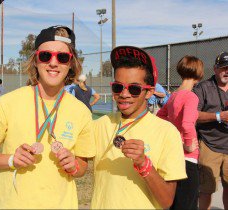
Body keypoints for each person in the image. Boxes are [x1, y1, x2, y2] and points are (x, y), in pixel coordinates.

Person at [0, 25, 95, 209]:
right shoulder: (8, 102)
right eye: (46, 55)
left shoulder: (81, 112)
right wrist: (11, 160)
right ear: (35, 60)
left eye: (62, 57)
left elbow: (82, 167)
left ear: (71, 63)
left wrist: (73, 166)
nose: (54, 63)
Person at [91, 46, 187, 209]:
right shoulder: (100, 125)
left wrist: (143, 164)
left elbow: (167, 201)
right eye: (118, 87)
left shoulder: (167, 132)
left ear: (149, 92)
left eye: (134, 89)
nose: (124, 94)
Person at [157, 55, 204, 210]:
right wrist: (189, 144)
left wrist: (175, 137)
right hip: (188, 159)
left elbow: (160, 116)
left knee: (175, 202)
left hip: (174, 156)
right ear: (198, 74)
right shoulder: (191, 96)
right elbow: (187, 124)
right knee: (188, 203)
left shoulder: (173, 96)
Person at [193, 51, 228, 210]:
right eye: (223, 68)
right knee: (206, 189)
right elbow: (193, 115)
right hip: (209, 145)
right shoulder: (203, 88)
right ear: (215, 69)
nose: (226, 71)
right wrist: (219, 116)